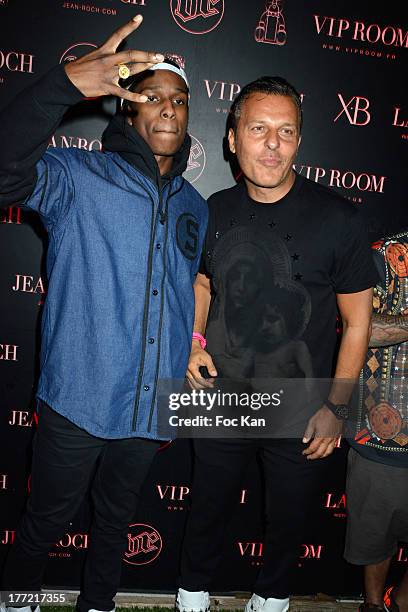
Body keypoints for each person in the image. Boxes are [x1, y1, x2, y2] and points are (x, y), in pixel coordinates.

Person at [0, 15, 207, 612]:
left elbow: (184, 286)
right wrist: (63, 84)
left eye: (180, 99)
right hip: (79, 399)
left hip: (147, 406)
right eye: (152, 96)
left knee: (116, 527)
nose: (168, 108)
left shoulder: (196, 206)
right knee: (43, 523)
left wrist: (190, 340)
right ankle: (16, 602)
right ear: (127, 108)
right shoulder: (75, 176)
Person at [175, 76, 378, 612]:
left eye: (285, 131)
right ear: (232, 138)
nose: (271, 144)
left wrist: (337, 407)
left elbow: (357, 323)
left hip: (302, 406)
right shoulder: (211, 210)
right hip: (221, 396)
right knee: (207, 511)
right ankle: (190, 600)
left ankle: (270, 602)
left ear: (299, 141)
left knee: (288, 523)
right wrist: (194, 341)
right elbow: (201, 282)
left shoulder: (341, 221)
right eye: (258, 128)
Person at [344, 229, 408, 612]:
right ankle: (372, 605)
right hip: (385, 439)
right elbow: (361, 328)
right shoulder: (384, 255)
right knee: (375, 537)